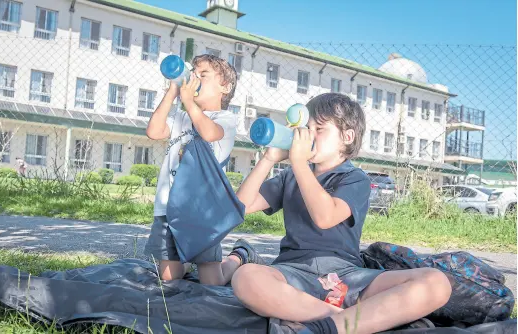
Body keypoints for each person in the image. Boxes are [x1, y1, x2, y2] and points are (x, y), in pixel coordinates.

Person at [231, 93, 452, 333]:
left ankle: (321, 325)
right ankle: (342, 320)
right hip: (293, 274)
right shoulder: (290, 177)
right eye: (306, 128)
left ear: (347, 137)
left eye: (319, 129)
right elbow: (240, 207)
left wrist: (299, 163)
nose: (309, 135)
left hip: (346, 277)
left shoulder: (355, 179)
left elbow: (325, 217)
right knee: (246, 277)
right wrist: (268, 159)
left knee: (436, 282)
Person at [144, 54, 264, 286]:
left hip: (202, 212)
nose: (195, 79)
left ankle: (238, 257)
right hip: (170, 206)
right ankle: (184, 258)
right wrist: (172, 92)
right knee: (169, 278)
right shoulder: (181, 117)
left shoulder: (225, 118)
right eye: (193, 74)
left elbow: (209, 133)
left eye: (203, 75)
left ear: (225, 87)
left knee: (212, 282)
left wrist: (188, 102)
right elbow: (154, 131)